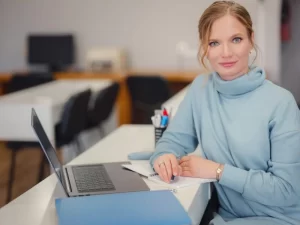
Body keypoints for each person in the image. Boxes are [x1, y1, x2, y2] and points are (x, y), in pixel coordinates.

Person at [149, 1, 300, 225]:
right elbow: (173, 140)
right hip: (228, 217)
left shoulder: (281, 102)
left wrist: (218, 171)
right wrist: (164, 156)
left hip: (279, 218)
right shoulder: (200, 89)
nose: (226, 53)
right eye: (214, 43)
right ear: (204, 48)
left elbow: (287, 191)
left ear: (251, 40)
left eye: (236, 39)